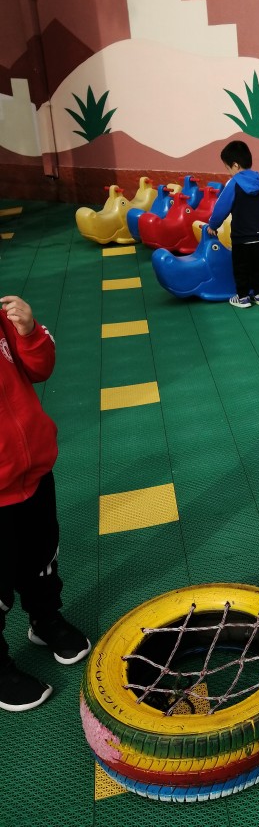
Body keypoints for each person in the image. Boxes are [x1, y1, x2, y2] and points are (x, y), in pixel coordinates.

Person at [0, 294, 91, 712]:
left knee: (41, 557)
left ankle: (45, 619)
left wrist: (29, 332)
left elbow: (40, 368)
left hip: (34, 472)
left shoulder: (3, 321)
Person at [206, 140, 259, 308]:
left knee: (241, 267)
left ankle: (243, 297)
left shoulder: (234, 183)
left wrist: (213, 226)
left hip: (241, 238)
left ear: (235, 165)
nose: (229, 172)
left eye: (228, 168)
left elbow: (221, 208)